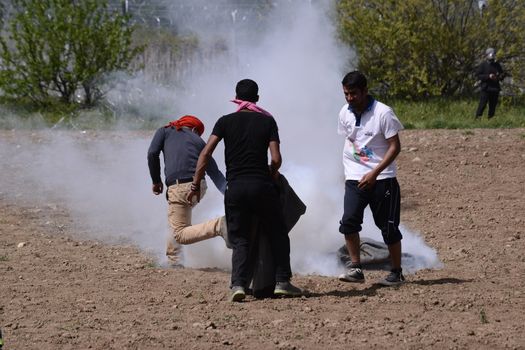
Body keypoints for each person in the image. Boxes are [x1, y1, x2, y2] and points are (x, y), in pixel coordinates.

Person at [188, 79, 303, 301]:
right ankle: (282, 281)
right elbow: (276, 159)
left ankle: (238, 285)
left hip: (236, 189)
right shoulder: (267, 121)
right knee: (277, 233)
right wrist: (271, 173)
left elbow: (205, 155)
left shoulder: (224, 122)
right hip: (261, 187)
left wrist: (195, 184)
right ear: (257, 98)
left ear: (236, 99)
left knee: (240, 238)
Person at [337, 71, 405, 286]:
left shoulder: (383, 113)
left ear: (365, 91)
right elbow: (350, 140)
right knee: (349, 222)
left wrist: (374, 173)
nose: (350, 98)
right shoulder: (344, 113)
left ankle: (396, 272)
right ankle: (356, 268)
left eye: (354, 94)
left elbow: (395, 147)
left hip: (382, 179)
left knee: (389, 228)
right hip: (354, 178)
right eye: (346, 94)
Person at [147, 115, 229, 267]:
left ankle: (219, 225)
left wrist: (156, 181)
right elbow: (214, 172)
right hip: (198, 187)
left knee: (180, 233)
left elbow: (152, 153)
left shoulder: (164, 131)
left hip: (179, 187)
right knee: (175, 218)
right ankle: (174, 260)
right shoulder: (198, 141)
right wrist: (230, 194)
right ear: (193, 129)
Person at [475, 48, 505, 119]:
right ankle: (477, 118)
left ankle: (490, 119)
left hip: (495, 88)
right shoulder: (483, 65)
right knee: (482, 104)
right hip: (486, 88)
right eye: (491, 54)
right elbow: (478, 75)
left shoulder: (497, 65)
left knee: (493, 105)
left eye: (494, 54)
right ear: (487, 55)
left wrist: (500, 76)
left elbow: (501, 75)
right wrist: (488, 76)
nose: (493, 56)